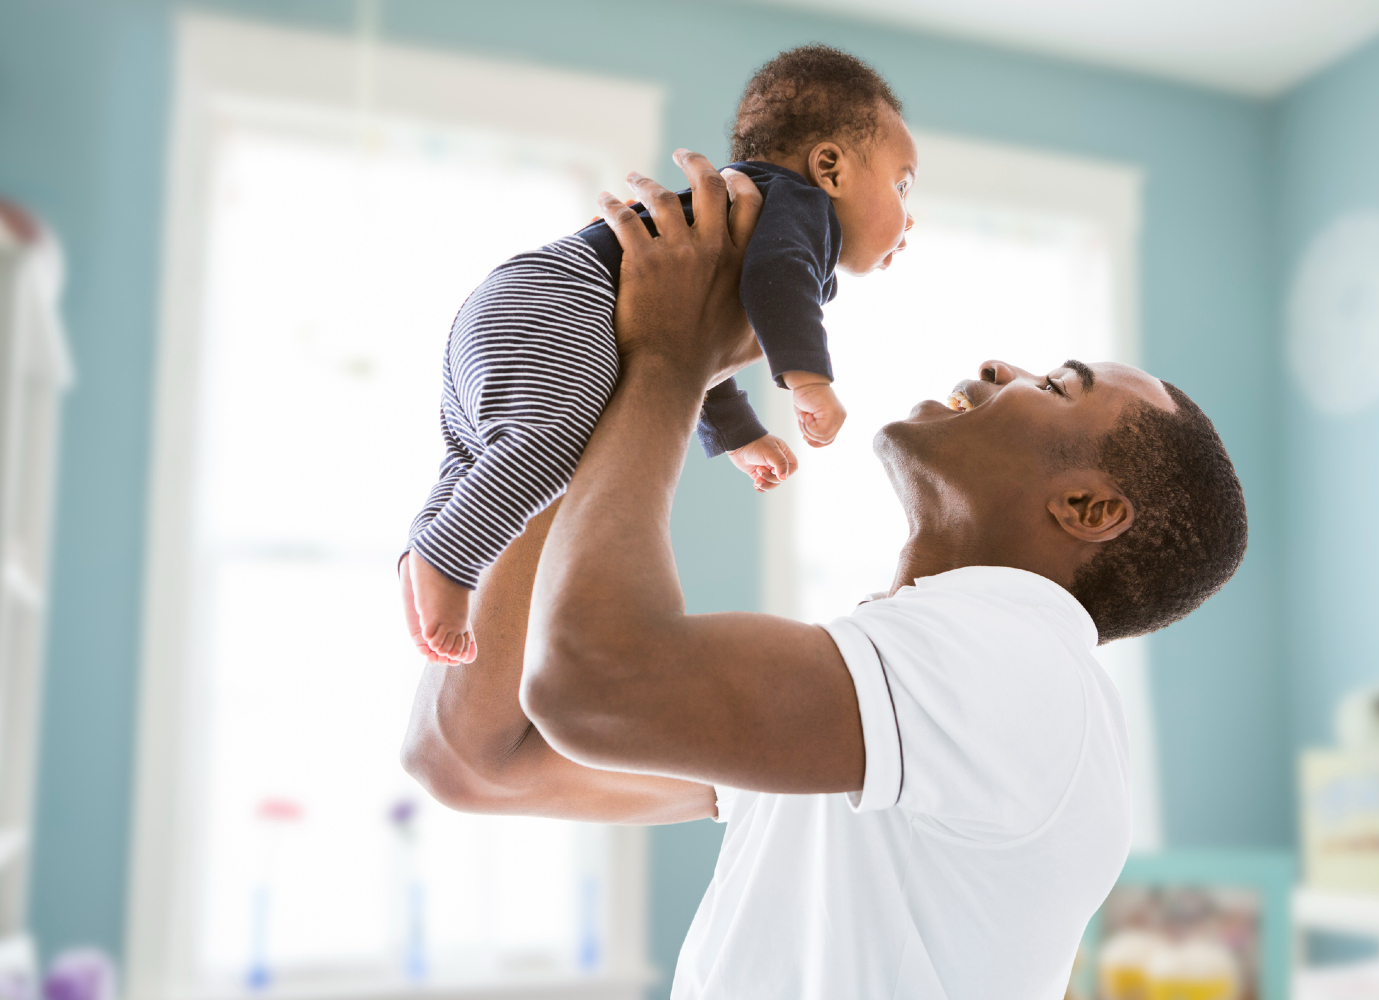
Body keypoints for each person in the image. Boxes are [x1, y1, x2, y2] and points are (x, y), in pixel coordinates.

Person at [400, 153, 1249, 999]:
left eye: (1059, 387)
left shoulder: (1014, 669)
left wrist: (670, 355)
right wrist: (576, 384)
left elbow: (596, 682)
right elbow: (471, 759)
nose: (1001, 367)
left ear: (1090, 509)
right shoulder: (892, 715)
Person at [403, 44, 916, 664]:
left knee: (473, 450)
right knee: (549, 444)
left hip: (520, 298)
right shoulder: (802, 212)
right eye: (902, 187)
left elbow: (704, 336)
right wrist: (810, 383)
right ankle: (448, 563)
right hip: (568, 297)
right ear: (830, 168)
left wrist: (739, 433)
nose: (909, 219)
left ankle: (421, 550)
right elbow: (779, 281)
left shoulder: (748, 209)